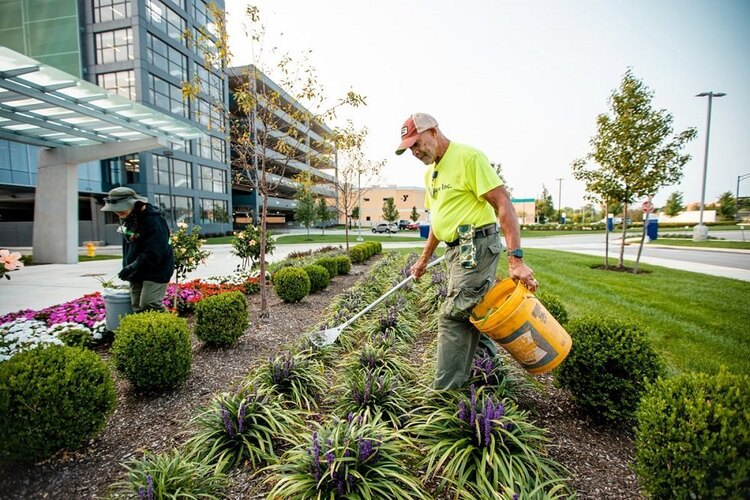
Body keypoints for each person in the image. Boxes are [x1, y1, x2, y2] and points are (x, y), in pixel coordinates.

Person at [396, 113, 538, 389]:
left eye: (418, 143)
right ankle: (490, 376)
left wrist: (516, 260)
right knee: (472, 311)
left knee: (453, 314)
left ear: (434, 132)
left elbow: (503, 203)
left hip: (475, 245)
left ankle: (445, 394)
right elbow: (439, 221)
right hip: (455, 251)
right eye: (410, 148)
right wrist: (424, 259)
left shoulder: (468, 158)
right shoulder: (431, 173)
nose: (415, 151)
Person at [101, 187, 175, 313]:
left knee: (150, 303)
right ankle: (147, 332)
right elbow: (130, 245)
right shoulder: (129, 219)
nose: (117, 212)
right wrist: (128, 266)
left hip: (156, 269)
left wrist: (132, 266)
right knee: (137, 306)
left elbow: (155, 253)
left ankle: (173, 330)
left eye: (121, 208)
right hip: (136, 269)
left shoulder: (154, 221)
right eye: (115, 210)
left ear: (135, 204)